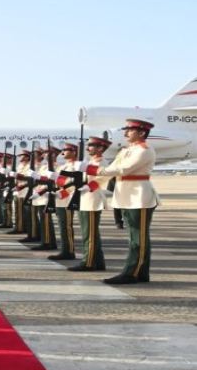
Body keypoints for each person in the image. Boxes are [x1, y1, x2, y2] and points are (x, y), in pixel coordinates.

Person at [77, 119, 161, 284]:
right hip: (127, 196)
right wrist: (91, 184)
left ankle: (131, 273)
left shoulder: (144, 150)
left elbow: (122, 169)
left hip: (139, 196)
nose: (126, 133)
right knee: (135, 236)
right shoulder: (125, 151)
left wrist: (90, 169)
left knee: (138, 237)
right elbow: (111, 172)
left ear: (142, 132)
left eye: (130, 130)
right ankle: (141, 273)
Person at [68, 137, 112, 272]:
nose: (88, 148)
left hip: (92, 198)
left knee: (90, 233)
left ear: (100, 148)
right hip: (84, 198)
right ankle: (98, 262)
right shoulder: (90, 161)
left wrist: (89, 186)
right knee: (89, 232)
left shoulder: (101, 162)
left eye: (91, 145)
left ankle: (88, 262)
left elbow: (104, 177)